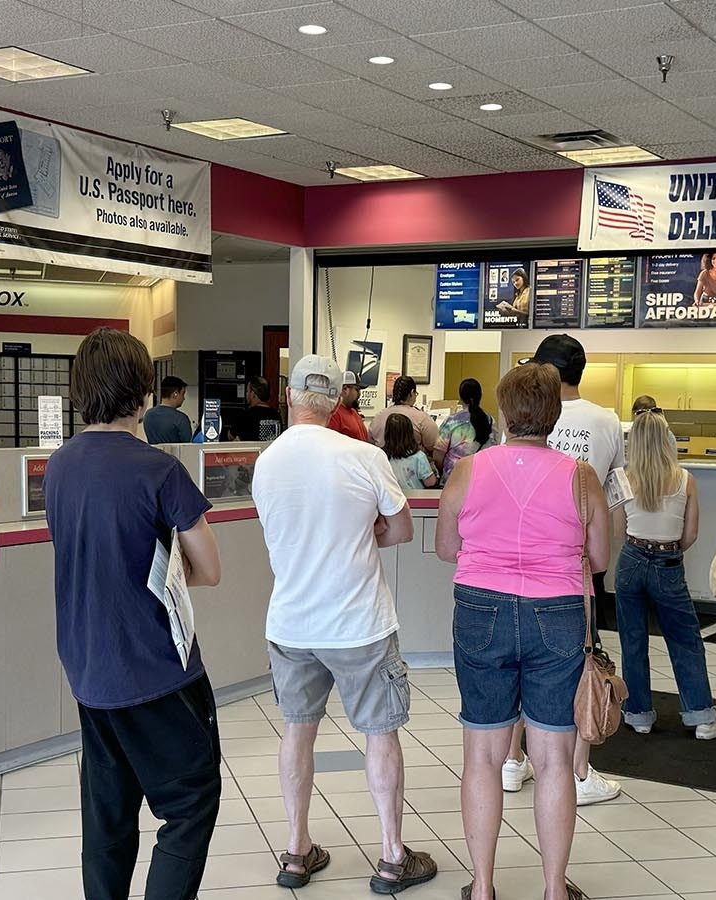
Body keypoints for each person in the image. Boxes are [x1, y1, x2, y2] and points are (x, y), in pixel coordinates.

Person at [43, 328, 225, 900]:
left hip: (88, 665)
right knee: (191, 803)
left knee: (108, 810)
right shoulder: (160, 470)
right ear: (143, 391)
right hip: (154, 666)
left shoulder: (58, 466)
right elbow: (209, 568)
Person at [253, 354, 438, 895]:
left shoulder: (267, 462)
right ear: (337, 403)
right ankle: (391, 858)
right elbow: (401, 530)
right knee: (380, 735)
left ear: (289, 397)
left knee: (297, 732)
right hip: (359, 624)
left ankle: (296, 851)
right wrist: (364, 532)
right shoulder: (363, 455)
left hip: (291, 624)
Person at [437, 361, 607, 900]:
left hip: (480, 607)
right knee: (555, 758)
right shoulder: (581, 476)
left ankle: (483, 887)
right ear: (554, 414)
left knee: (483, 755)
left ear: (505, 412)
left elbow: (446, 548)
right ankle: (554, 889)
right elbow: (598, 559)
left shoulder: (468, 470)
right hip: (555, 613)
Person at [505, 335, 623, 805]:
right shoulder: (606, 421)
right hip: (574, 561)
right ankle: (577, 769)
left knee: (514, 662)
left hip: (514, 560)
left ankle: (514, 760)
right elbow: (612, 492)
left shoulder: (518, 414)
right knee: (577, 664)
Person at [615, 410, 716, 740]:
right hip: (667, 563)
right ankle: (702, 717)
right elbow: (690, 534)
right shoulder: (685, 479)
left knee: (632, 642)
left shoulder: (623, 478)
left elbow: (619, 532)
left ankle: (638, 714)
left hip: (631, 560)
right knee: (685, 640)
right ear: (668, 440)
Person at [434, 378, 497, 478]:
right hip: (481, 476)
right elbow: (493, 450)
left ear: (460, 397)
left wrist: (444, 471)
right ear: (480, 396)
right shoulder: (490, 420)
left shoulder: (451, 421)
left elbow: (438, 455)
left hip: (454, 478)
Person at [369, 375, 437, 453]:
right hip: (412, 463)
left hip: (384, 462)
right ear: (412, 393)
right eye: (416, 394)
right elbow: (435, 446)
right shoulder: (422, 418)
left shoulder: (378, 417)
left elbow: (371, 444)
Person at [385, 413, 439, 491]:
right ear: (410, 433)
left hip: (392, 499)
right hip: (415, 499)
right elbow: (430, 482)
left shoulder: (382, 456)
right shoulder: (418, 456)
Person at [231, 376, 285, 442]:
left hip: (252, 452)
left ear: (253, 394)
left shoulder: (246, 416)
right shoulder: (276, 415)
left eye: (247, 391)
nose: (246, 394)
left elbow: (231, 435)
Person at [143, 375, 193, 444]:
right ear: (175, 394)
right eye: (183, 394)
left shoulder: (148, 415)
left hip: (153, 454)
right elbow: (187, 447)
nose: (184, 398)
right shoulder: (181, 418)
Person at [328, 370, 371, 442]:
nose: (359, 394)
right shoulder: (334, 414)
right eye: (357, 389)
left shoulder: (353, 412)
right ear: (345, 389)